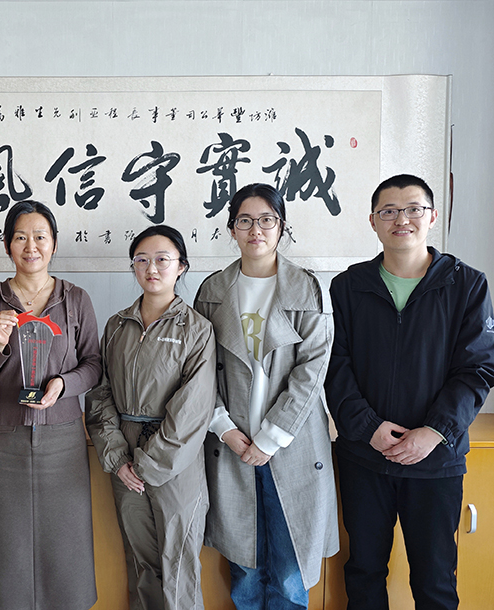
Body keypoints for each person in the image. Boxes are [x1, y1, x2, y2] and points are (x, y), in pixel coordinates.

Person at [325, 174, 494, 610]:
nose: (401, 219)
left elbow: (478, 369)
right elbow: (335, 367)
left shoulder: (466, 284)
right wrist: (368, 428)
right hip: (364, 457)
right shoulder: (349, 286)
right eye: (389, 211)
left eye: (413, 209)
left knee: (435, 578)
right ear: (373, 221)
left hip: (437, 460)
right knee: (363, 572)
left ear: (432, 216)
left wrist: (434, 432)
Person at [194, 183, 339, 610]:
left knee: (291, 573)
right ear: (231, 229)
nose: (255, 229)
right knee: (245, 568)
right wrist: (224, 428)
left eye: (266, 220)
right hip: (233, 444)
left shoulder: (307, 288)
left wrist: (271, 437)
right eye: (245, 220)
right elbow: (198, 371)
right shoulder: (212, 290)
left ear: (281, 226)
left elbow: (312, 370)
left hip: (291, 445)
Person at [0, 200, 102, 610]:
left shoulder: (75, 299)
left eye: (40, 236)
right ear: (7, 244)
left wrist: (64, 383)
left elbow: (94, 366)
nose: (31, 246)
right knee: (4, 548)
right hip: (2, 440)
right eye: (20, 237)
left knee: (66, 544)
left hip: (63, 439)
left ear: (54, 243)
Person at [85, 225, 217, 610]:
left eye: (162, 259)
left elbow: (193, 408)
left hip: (175, 459)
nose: (151, 268)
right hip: (124, 455)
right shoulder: (117, 325)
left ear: (181, 266)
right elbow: (101, 393)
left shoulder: (197, 329)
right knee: (141, 561)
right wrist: (118, 459)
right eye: (141, 260)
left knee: (179, 563)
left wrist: (146, 465)